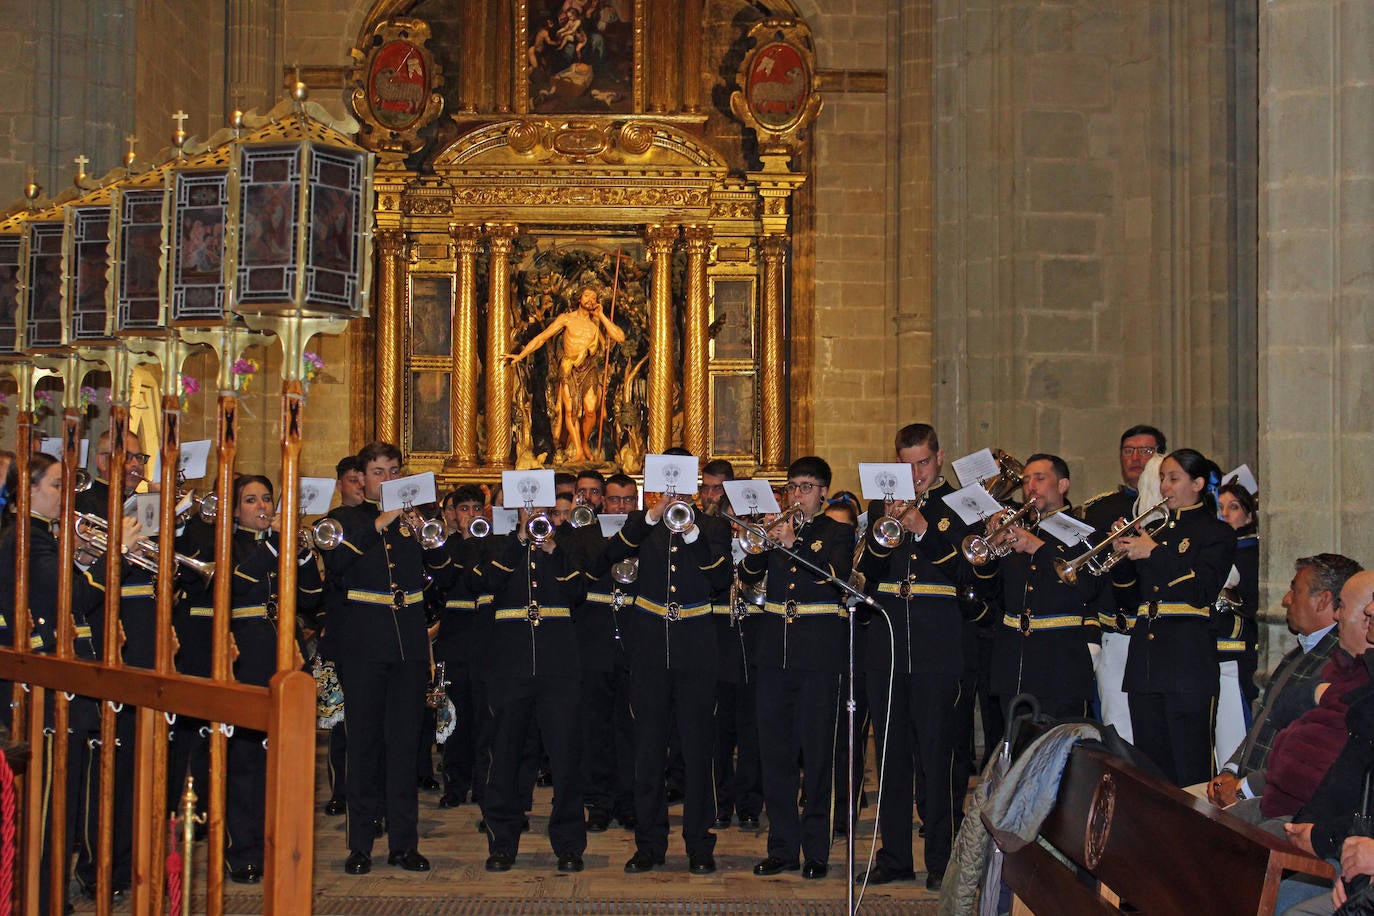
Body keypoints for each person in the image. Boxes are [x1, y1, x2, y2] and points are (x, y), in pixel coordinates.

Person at [854, 423, 976, 889]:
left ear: (939, 458)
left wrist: (922, 530)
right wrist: (886, 530)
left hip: (938, 646)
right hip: (887, 646)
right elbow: (866, 572)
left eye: (922, 463)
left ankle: (942, 860)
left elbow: (969, 574)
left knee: (938, 757)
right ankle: (895, 856)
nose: (915, 473)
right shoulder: (881, 506)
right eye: (905, 464)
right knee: (889, 756)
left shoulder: (958, 506)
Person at [605, 453, 733, 875]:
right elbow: (611, 554)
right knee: (647, 750)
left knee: (698, 751)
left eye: (681, 481)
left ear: (694, 484)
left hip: (696, 650)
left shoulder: (711, 525)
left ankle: (700, 845)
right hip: (648, 652)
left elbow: (719, 579)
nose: (675, 489)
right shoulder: (644, 526)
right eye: (666, 480)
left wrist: (693, 531)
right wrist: (651, 515)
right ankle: (649, 844)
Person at [324, 443, 446, 876]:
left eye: (395, 471)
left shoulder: (414, 523)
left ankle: (404, 844)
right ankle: (360, 845)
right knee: (364, 745)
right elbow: (337, 563)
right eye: (379, 472)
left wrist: (425, 530)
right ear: (362, 478)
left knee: (405, 745)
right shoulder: (343, 521)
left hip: (408, 647)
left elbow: (444, 569)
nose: (388, 479)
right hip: (364, 646)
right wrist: (380, 523)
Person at [740, 457, 852, 880]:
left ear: (824, 492)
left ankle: (816, 851)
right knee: (776, 756)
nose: (797, 494)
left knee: (819, 756)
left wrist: (792, 544)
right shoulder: (776, 530)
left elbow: (836, 577)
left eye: (806, 487)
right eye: (792, 486)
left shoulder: (837, 532)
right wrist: (761, 543)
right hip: (773, 656)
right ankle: (782, 848)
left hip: (817, 658)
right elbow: (748, 573)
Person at [473, 496, 589, 873]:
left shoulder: (568, 544)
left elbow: (578, 593)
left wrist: (552, 546)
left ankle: (569, 845)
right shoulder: (496, 543)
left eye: (546, 511)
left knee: (567, 758)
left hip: (560, 665)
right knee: (504, 756)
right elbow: (487, 584)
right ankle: (502, 843)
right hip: (510, 665)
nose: (537, 516)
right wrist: (520, 539)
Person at [221, 475, 323, 883]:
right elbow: (239, 584)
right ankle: (243, 849)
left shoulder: (281, 544)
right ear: (235, 508)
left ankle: (284, 843)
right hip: (247, 653)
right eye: (251, 500)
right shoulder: (230, 543)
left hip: (288, 653)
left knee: (288, 756)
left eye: (266, 498)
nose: (261, 506)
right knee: (247, 758)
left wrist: (299, 552)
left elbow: (312, 596)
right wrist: (274, 543)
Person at [1114, 448, 1235, 786]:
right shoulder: (1156, 533)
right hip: (1146, 662)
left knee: (1190, 764)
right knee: (1152, 768)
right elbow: (1129, 600)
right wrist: (1122, 557)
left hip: (1187, 662)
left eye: (1174, 478)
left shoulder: (1216, 533)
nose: (1164, 487)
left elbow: (1201, 590)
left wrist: (1152, 552)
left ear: (1197, 483)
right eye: (1162, 479)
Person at [1207, 554, 1360, 807]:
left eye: (1294, 591)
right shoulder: (1298, 653)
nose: (1285, 600)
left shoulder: (1339, 664)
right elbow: (1263, 720)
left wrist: (1243, 789)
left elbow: (1308, 757)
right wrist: (1231, 771)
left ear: (1322, 601)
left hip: (1278, 802)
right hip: (1249, 789)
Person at [981, 453, 1099, 720]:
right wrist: (990, 546)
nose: (1030, 486)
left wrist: (1038, 547)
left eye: (1040, 478)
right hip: (1013, 665)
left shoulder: (1084, 531)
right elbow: (991, 590)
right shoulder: (1017, 528)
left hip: (1060, 668)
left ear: (1063, 485)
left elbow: (1089, 588)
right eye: (1026, 480)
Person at [1076, 424, 1168, 742]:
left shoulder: (1172, 509)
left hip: (1160, 630)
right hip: (1115, 630)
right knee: (1117, 725)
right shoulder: (1097, 510)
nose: (1136, 458)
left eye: (1146, 451)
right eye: (1128, 450)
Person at [567, 472, 637, 832]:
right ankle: (598, 801)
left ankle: (628, 800)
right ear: (602, 502)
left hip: (634, 641)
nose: (621, 506)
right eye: (614, 500)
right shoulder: (583, 533)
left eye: (628, 500)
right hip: (593, 641)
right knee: (594, 726)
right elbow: (577, 582)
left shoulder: (647, 533)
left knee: (630, 727)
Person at [504, 286, 626, 463]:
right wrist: (521, 355)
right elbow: (542, 338)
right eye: (587, 296)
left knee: (590, 410)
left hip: (588, 367)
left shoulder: (596, 322)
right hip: (569, 367)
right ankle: (578, 451)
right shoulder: (566, 319)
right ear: (579, 299)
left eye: (593, 297)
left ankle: (584, 443)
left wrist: (602, 316)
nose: (590, 300)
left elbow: (620, 337)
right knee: (570, 410)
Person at [432, 485, 487, 809]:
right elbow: (444, 584)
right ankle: (455, 784)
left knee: (484, 719)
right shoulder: (444, 547)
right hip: (453, 640)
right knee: (452, 716)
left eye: (475, 508)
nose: (469, 515)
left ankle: (482, 785)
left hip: (484, 641)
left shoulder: (493, 546)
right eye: (463, 509)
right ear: (452, 514)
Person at [319, 455, 365, 818]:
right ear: (340, 484)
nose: (359, 486)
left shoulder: (380, 517)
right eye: (352, 480)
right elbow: (337, 566)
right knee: (340, 718)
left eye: (361, 479)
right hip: (340, 626)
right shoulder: (329, 523)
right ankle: (340, 788)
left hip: (372, 628)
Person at [1214, 479, 1260, 767]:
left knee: (1234, 733)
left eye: (1234, 507)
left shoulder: (1250, 552)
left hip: (1234, 650)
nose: (1226, 514)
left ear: (1249, 515)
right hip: (1209, 650)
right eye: (1219, 508)